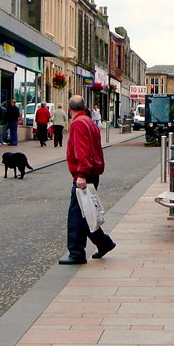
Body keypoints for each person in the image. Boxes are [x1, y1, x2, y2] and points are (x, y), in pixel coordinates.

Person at [59, 95, 116, 265]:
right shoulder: (90, 122)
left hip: (84, 174)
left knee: (76, 215)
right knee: (86, 213)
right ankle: (104, 243)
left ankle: (76, 252)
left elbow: (82, 151)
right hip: (93, 173)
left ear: (70, 109)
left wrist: (81, 174)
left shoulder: (78, 123)